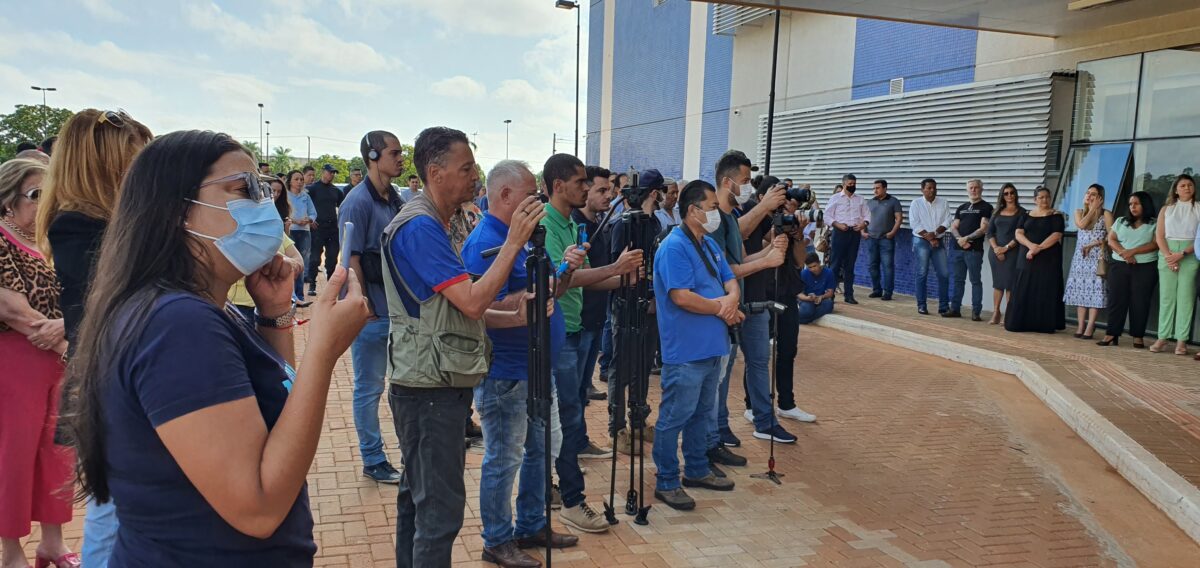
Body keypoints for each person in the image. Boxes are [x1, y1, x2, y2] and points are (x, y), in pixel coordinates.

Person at [67, 130, 369, 566]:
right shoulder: (177, 324)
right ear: (178, 211)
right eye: (242, 189)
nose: (263, 203)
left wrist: (275, 314)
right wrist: (323, 350)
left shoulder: (199, 306)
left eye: (262, 189)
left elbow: (268, 420)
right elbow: (258, 507)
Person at [382, 127, 543, 566]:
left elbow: (452, 305)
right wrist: (513, 244)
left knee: (419, 502)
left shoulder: (435, 221)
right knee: (439, 513)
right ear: (436, 173)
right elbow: (471, 302)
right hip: (427, 390)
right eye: (467, 167)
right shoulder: (420, 227)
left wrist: (512, 313)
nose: (475, 176)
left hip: (429, 382)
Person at [36, 108, 152, 568]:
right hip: (112, 385)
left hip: (117, 379)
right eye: (137, 158)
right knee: (113, 515)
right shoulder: (81, 228)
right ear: (106, 165)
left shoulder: (103, 225)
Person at [462, 160, 582, 567]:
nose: (539, 199)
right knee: (505, 455)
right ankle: (496, 540)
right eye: (532, 192)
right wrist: (519, 306)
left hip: (537, 365)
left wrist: (564, 271)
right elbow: (475, 304)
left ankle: (531, 523)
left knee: (543, 448)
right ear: (506, 195)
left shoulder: (527, 236)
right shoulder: (484, 242)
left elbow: (543, 287)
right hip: (506, 373)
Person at [541, 153, 637, 534]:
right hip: (560, 331)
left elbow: (581, 275)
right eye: (582, 182)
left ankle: (554, 487)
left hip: (578, 326)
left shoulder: (568, 223)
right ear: (559, 185)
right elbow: (560, 280)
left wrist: (623, 277)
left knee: (571, 410)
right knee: (563, 416)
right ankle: (571, 499)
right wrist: (614, 269)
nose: (587, 188)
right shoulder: (548, 225)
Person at [0, 159, 78, 568]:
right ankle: (11, 550)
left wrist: (69, 330)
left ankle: (54, 541)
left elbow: (77, 299)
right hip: (17, 361)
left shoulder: (50, 243)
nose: (46, 203)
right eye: (36, 195)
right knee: (16, 452)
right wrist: (61, 337)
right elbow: (13, 309)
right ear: (9, 200)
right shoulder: (1, 241)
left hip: (57, 359)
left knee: (58, 451)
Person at [651, 180, 741, 511]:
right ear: (694, 210)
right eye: (713, 207)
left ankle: (698, 469)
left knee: (702, 414)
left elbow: (729, 276)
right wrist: (722, 307)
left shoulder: (707, 243)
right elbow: (680, 296)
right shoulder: (675, 247)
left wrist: (731, 298)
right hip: (686, 350)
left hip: (712, 345)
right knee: (675, 415)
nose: (717, 212)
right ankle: (667, 480)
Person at [708, 150, 792, 463]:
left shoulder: (729, 215)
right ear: (728, 182)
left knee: (754, 363)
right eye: (744, 182)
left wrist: (771, 250)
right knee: (721, 372)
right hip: (723, 307)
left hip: (745, 302)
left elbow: (740, 259)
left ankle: (760, 422)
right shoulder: (713, 215)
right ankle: (714, 432)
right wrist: (766, 259)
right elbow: (722, 269)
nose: (748, 187)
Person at [340, 131, 406, 484]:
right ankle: (373, 458)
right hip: (371, 314)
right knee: (369, 388)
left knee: (399, 385)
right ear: (373, 155)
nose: (401, 158)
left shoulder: (395, 199)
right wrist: (363, 307)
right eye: (394, 152)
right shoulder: (357, 202)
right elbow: (349, 257)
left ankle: (402, 451)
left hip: (394, 311)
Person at [760, 177, 817, 423]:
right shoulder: (760, 220)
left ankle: (786, 403)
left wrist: (798, 233)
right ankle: (754, 405)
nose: (790, 207)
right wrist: (776, 229)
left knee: (788, 350)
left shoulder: (792, 224)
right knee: (759, 353)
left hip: (788, 292)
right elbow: (763, 248)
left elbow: (799, 261)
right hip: (763, 293)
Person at [229, 177, 303, 323]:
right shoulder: (228, 231)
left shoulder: (273, 230)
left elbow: (298, 259)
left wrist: (286, 265)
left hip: (271, 306)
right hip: (236, 306)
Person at [571, 166, 614, 405]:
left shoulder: (600, 222)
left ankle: (580, 438)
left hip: (598, 316)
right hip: (580, 318)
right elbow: (582, 275)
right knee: (573, 392)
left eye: (609, 190)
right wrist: (620, 273)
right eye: (601, 190)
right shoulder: (576, 225)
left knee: (582, 388)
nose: (608, 195)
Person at [1099, 192, 1158, 348]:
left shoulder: (1154, 223)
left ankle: (1137, 336)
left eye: (1137, 203)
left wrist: (1133, 252)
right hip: (1119, 266)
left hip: (1145, 267)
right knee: (1116, 300)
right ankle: (1111, 334)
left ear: (1145, 204)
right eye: (1131, 204)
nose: (1133, 207)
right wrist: (1124, 254)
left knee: (1140, 302)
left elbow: (1155, 244)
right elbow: (1111, 239)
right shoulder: (1121, 221)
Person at [1004, 187, 1066, 333]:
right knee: (1023, 286)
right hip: (1026, 256)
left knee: (1044, 288)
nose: (1044, 200)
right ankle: (1020, 322)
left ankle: (1042, 324)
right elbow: (1018, 234)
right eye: (1041, 197)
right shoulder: (1025, 215)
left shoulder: (1056, 216)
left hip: (1048, 258)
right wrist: (1031, 246)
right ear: (1035, 199)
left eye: (1047, 197)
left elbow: (1056, 235)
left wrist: (1038, 249)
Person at [1151, 174, 1199, 355]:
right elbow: (1159, 235)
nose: (1187, 188)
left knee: (1186, 298)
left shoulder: (1198, 208)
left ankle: (1181, 341)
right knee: (1166, 297)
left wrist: (1182, 254)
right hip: (1167, 252)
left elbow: (1199, 238)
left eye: (1190, 185)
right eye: (1183, 185)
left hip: (1189, 253)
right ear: (1176, 189)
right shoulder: (1166, 209)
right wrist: (1168, 256)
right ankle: (1162, 337)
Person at [1063, 184, 1114, 338]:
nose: (1089, 196)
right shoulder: (1079, 212)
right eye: (1088, 193)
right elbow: (1082, 225)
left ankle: (1090, 326)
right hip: (1081, 257)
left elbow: (1111, 236)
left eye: (1094, 194)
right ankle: (1080, 326)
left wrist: (1094, 244)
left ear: (1100, 198)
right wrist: (1092, 209)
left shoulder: (1106, 214)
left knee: (1094, 292)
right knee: (1081, 291)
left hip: (1097, 256)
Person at [948, 179, 994, 320]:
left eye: (976, 187)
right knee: (958, 280)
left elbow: (984, 228)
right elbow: (953, 227)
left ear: (981, 189)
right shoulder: (961, 207)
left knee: (975, 281)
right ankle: (955, 309)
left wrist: (966, 239)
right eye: (971, 188)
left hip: (974, 250)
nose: (973, 190)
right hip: (957, 249)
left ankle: (976, 312)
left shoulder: (986, 207)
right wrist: (960, 240)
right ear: (967, 190)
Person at [909, 178, 952, 316]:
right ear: (922, 189)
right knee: (922, 273)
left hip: (938, 241)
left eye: (934, 188)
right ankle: (922, 305)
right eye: (929, 188)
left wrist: (936, 234)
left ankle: (943, 306)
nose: (932, 190)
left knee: (944, 274)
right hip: (921, 240)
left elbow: (948, 220)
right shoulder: (916, 203)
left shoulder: (943, 202)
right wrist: (930, 237)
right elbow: (914, 223)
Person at [824, 174, 868, 303]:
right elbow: (827, 216)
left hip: (854, 233)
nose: (852, 186)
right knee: (835, 264)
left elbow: (867, 215)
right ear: (843, 184)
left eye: (854, 184)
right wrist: (837, 224)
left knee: (850, 265)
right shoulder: (835, 198)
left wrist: (863, 224)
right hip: (840, 232)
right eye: (850, 184)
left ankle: (849, 295)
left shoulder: (860, 199)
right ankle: (830, 294)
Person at [305, 164, 345, 296]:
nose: (332, 175)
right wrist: (310, 220)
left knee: (332, 259)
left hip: (333, 228)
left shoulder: (336, 191)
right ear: (323, 172)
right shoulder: (312, 189)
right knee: (315, 258)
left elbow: (343, 208)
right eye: (330, 172)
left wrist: (341, 222)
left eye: (334, 173)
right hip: (318, 228)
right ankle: (312, 284)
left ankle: (330, 286)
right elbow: (303, 205)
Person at [986, 183, 1024, 324]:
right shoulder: (996, 212)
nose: (1009, 195)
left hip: (1012, 252)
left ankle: (1008, 314)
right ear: (1002, 195)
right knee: (998, 283)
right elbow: (990, 232)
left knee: (1010, 284)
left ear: (1015, 194)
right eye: (1006, 193)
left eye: (1012, 192)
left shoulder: (1021, 212)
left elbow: (1020, 234)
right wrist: (996, 248)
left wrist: (1006, 248)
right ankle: (996, 312)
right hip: (995, 252)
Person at [864, 179, 902, 300]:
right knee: (872, 266)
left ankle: (888, 292)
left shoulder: (893, 201)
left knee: (887, 266)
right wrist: (862, 231)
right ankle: (877, 290)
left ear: (885, 188)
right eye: (874, 188)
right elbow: (863, 218)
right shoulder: (870, 202)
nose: (875, 190)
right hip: (871, 238)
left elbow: (899, 218)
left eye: (878, 188)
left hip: (886, 239)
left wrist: (892, 232)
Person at [286, 170, 318, 303]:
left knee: (301, 263)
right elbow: (282, 213)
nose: (299, 182)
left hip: (304, 232)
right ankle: (289, 296)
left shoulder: (306, 196)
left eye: (301, 180)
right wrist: (294, 221)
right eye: (296, 179)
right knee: (289, 263)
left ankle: (299, 296)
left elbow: (313, 212)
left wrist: (309, 219)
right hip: (290, 231)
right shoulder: (285, 195)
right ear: (290, 181)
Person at [798, 252, 836, 324]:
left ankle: (803, 320)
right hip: (807, 300)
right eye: (810, 267)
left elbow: (830, 292)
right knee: (808, 310)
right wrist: (807, 298)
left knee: (829, 304)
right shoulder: (803, 273)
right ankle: (806, 318)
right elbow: (799, 293)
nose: (812, 269)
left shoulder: (829, 272)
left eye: (814, 266)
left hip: (821, 300)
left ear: (819, 262)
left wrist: (821, 297)